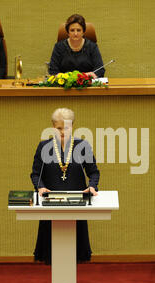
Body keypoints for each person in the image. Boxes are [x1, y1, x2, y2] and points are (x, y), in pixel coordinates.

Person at [30, 108, 100, 265]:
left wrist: (92, 186)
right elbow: (35, 174)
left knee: (74, 249)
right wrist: (40, 187)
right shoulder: (43, 146)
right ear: (52, 126)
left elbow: (94, 173)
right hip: (51, 203)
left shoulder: (83, 145)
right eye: (59, 128)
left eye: (66, 128)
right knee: (52, 250)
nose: (63, 132)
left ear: (73, 126)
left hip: (76, 203)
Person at [48, 14, 104, 79]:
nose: (75, 34)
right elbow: (53, 71)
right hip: (65, 86)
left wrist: (87, 76)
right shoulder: (59, 47)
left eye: (78, 30)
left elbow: (100, 70)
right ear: (67, 32)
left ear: (83, 32)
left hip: (87, 85)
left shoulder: (92, 47)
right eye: (72, 30)